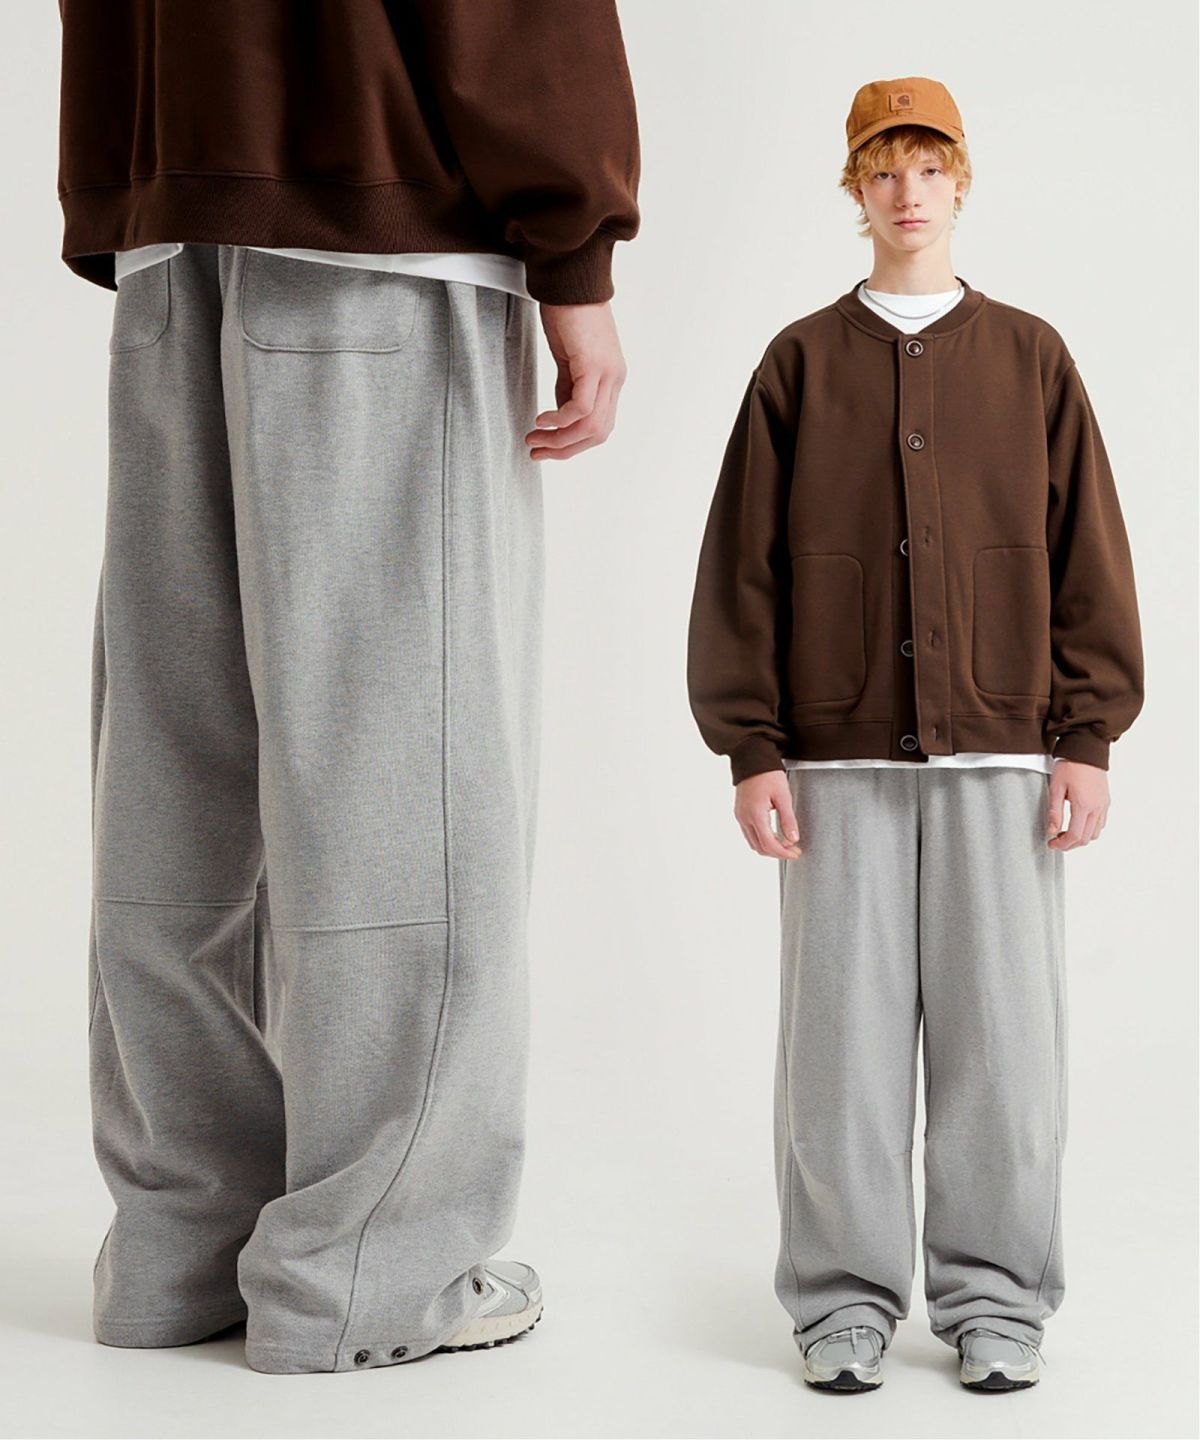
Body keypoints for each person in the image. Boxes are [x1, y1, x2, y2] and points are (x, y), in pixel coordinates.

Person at [58, 0, 639, 1376]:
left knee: (177, 759)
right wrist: (576, 251)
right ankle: (373, 1270)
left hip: (172, 226)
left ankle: (181, 1240)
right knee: (402, 757)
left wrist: (136, 183)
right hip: (378, 225)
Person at [686, 76, 1143, 1393]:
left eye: (929, 166)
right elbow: (741, 570)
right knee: (840, 1055)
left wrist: (1088, 735)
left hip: (1006, 758)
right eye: (884, 168)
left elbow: (1088, 553)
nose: (908, 191)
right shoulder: (798, 363)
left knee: (1006, 1055)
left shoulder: (1033, 358)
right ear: (855, 189)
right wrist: (752, 747)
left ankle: (997, 1301)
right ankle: (841, 1303)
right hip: (835, 765)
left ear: (961, 181)